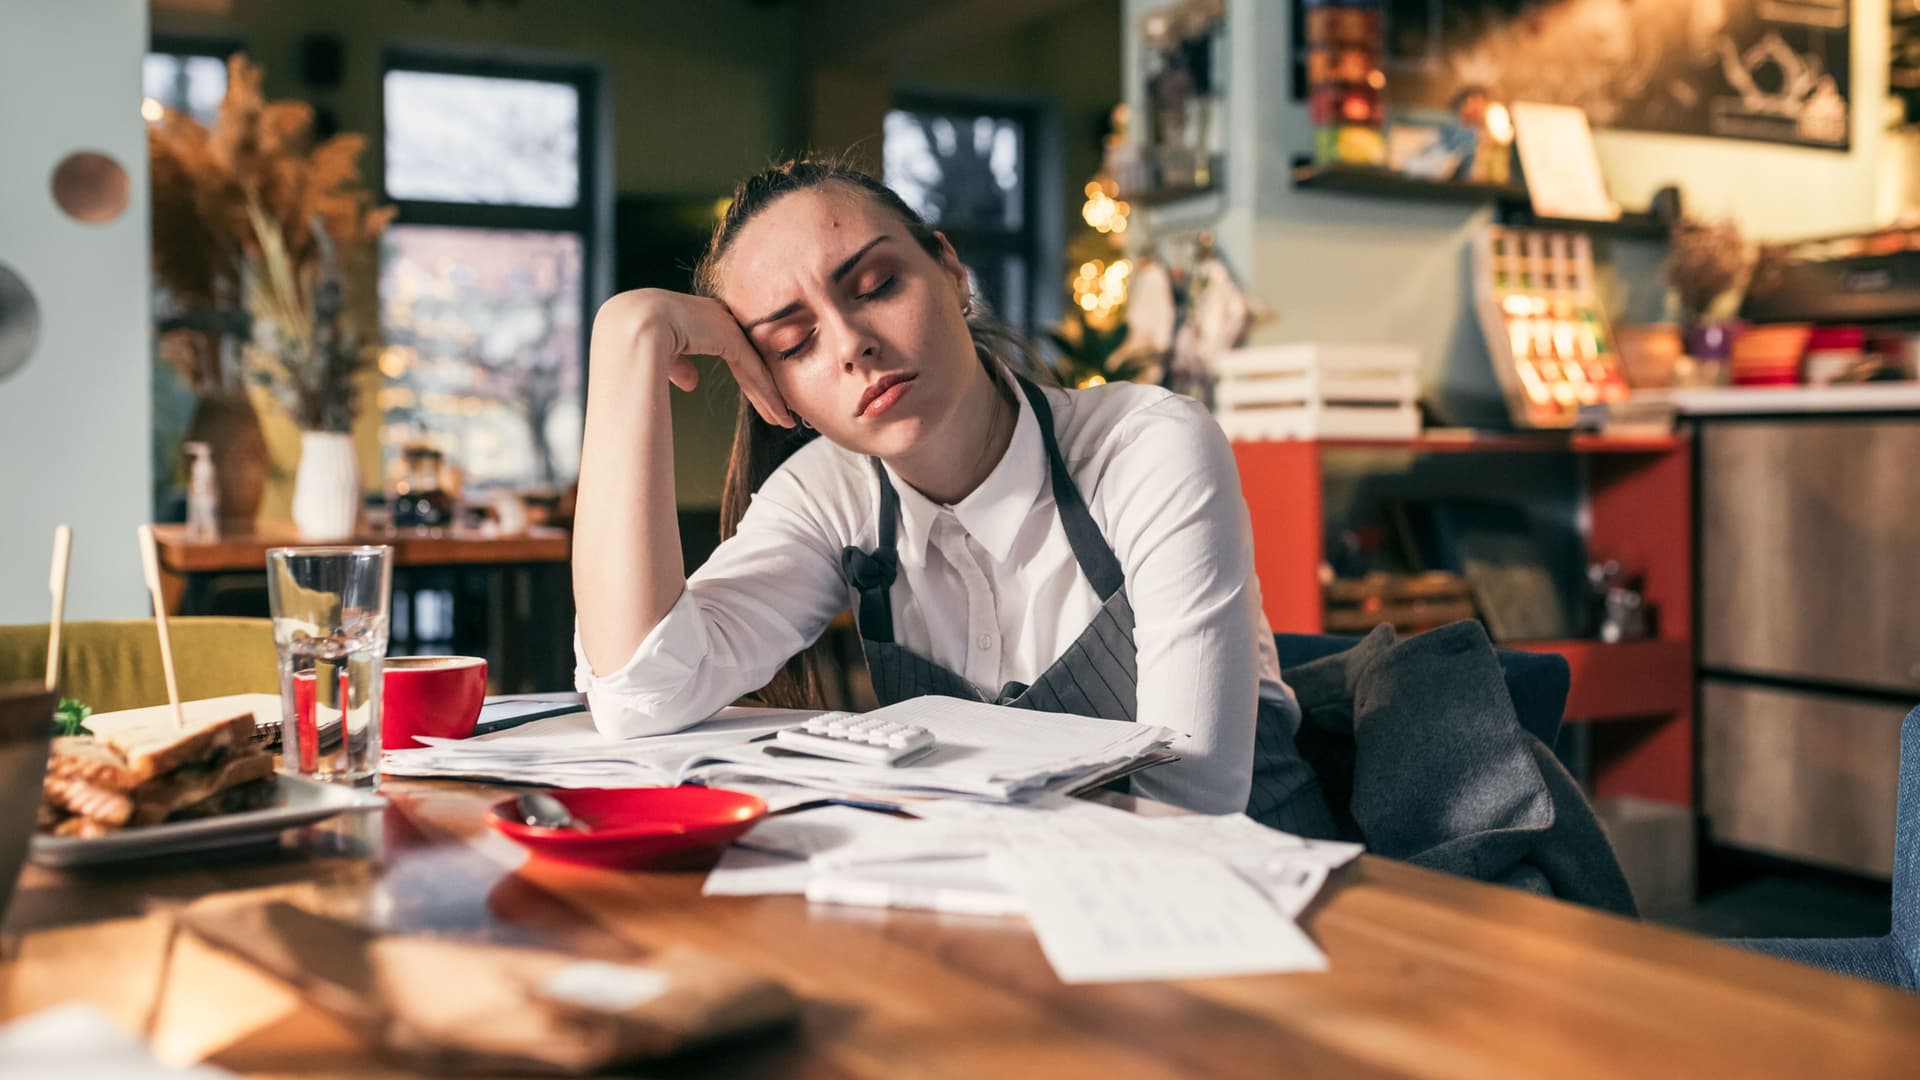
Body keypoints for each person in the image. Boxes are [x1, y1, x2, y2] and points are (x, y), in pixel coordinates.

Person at [571, 156, 1332, 834]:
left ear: (952, 271)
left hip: (1262, 898)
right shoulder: (827, 496)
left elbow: (1189, 809)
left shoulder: (1146, 447)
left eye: (876, 287)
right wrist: (627, 341)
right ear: (775, 389)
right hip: (1015, 900)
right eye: (793, 344)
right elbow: (639, 695)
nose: (849, 343)